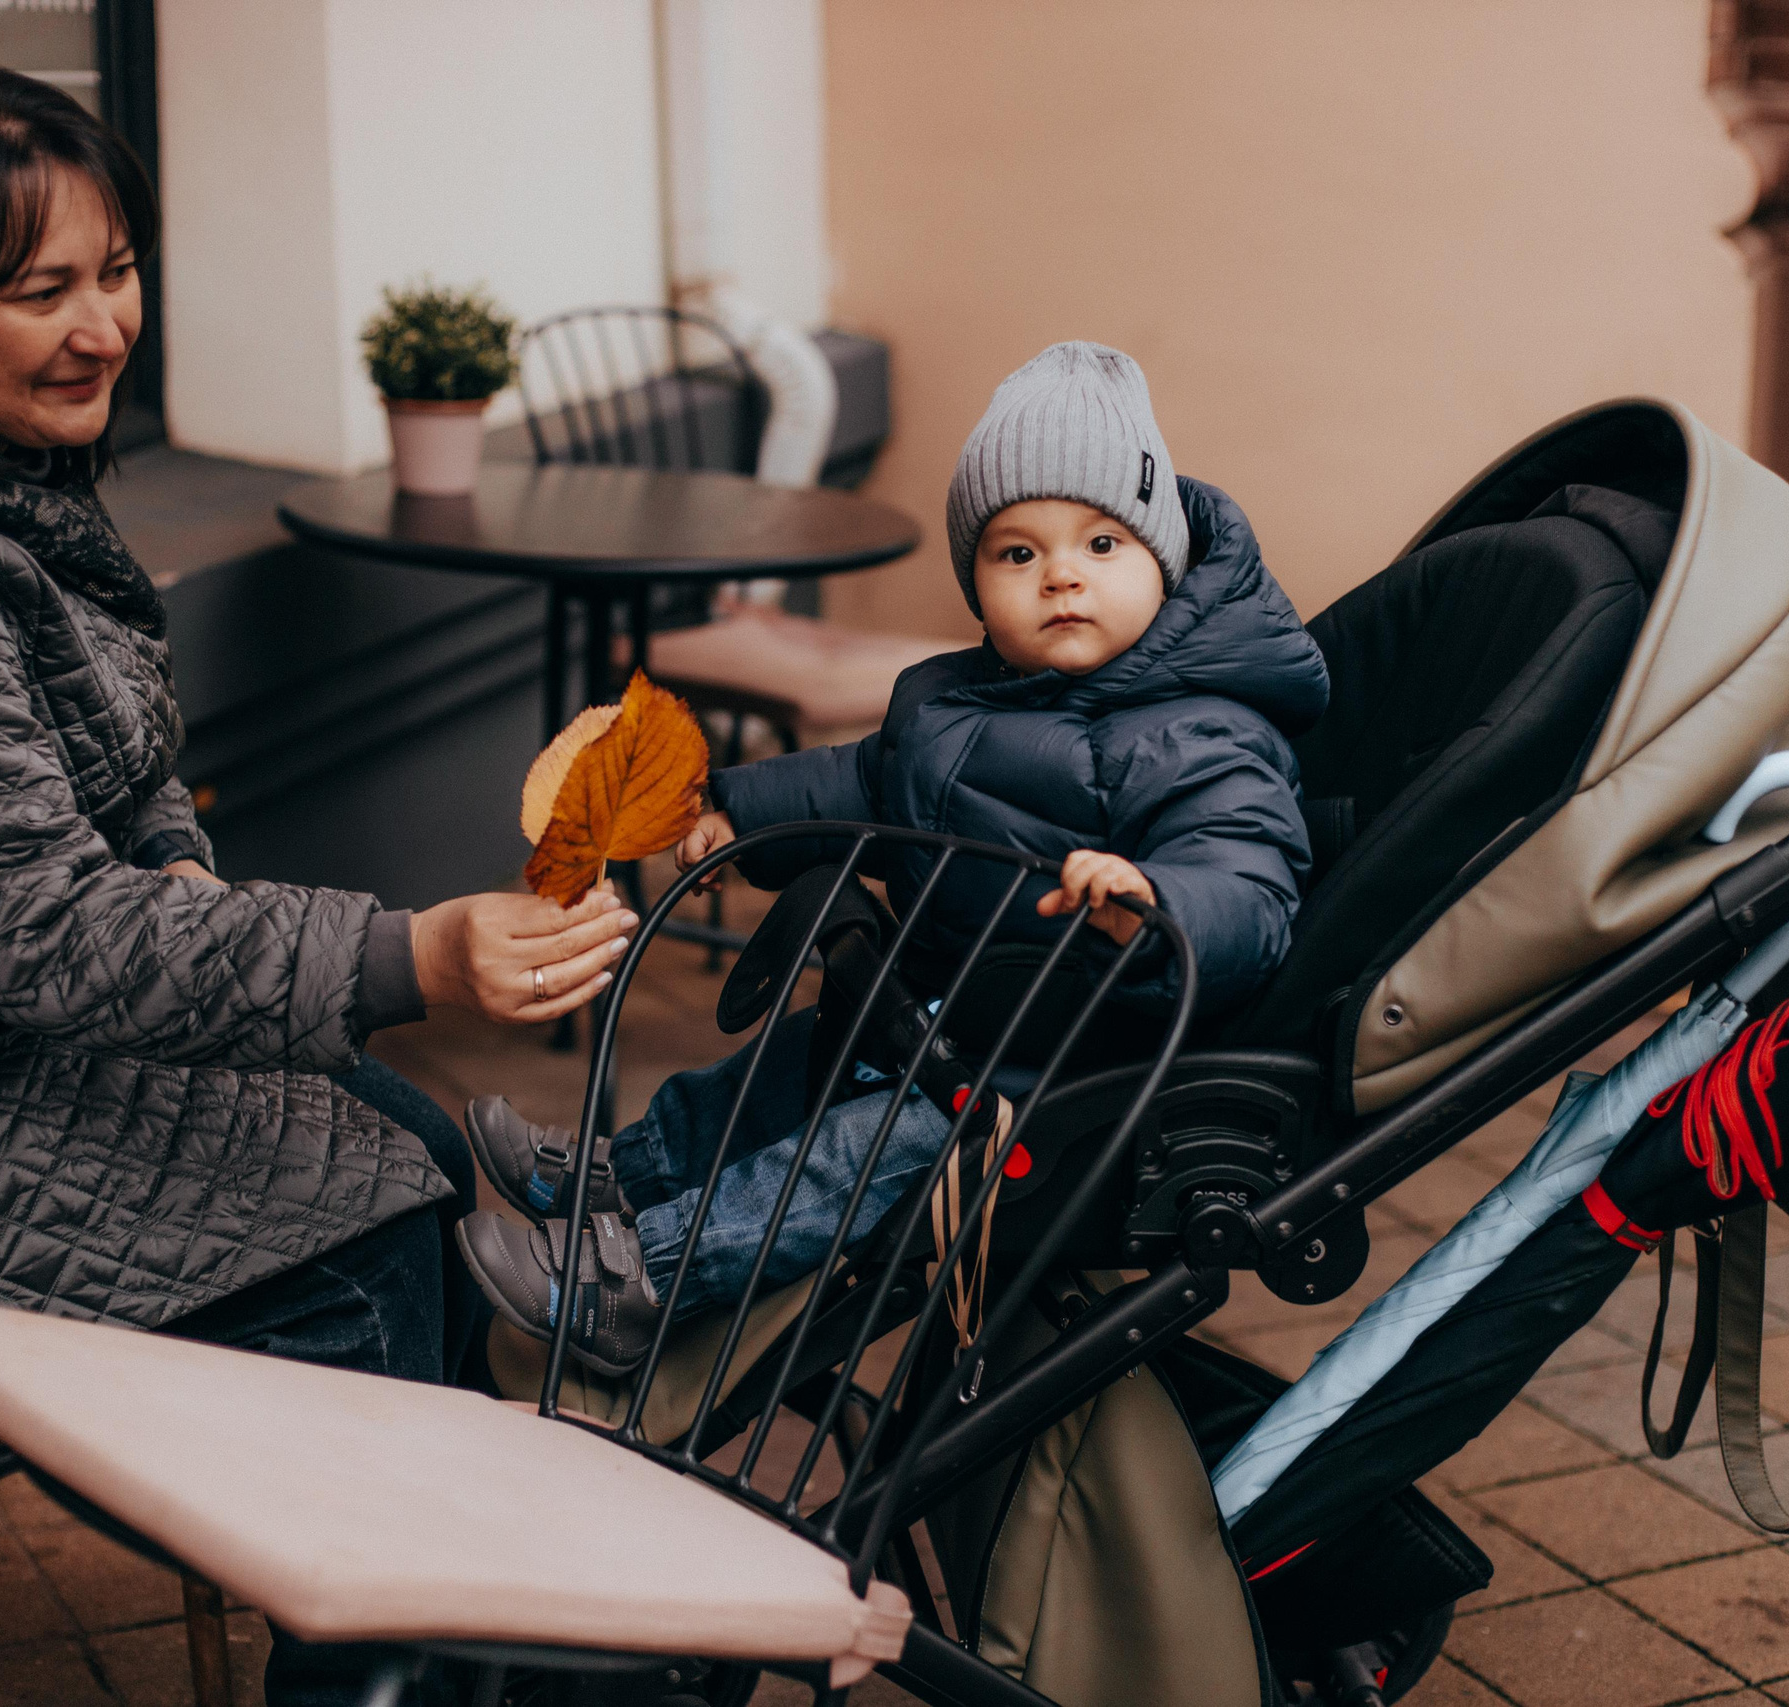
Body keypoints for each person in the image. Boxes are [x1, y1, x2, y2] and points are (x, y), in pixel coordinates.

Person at [0, 62, 634, 1706]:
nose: (106, 328)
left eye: (116, 270)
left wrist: (188, 877)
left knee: (423, 1149)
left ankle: (482, 1624)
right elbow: (39, 930)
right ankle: (394, 1634)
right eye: (41, 291)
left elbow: (114, 770)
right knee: (366, 1238)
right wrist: (407, 954)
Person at [455, 342, 1328, 1372]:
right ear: (976, 584)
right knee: (782, 1069)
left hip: (1071, 1060)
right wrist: (741, 811)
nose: (1060, 575)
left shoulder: (1197, 733)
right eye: (1017, 554)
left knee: (843, 1161)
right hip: (940, 1009)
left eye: (1101, 544)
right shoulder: (953, 700)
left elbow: (1249, 877)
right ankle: (619, 1174)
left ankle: (636, 1280)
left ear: (1163, 562)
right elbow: (864, 780)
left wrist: (1154, 903)